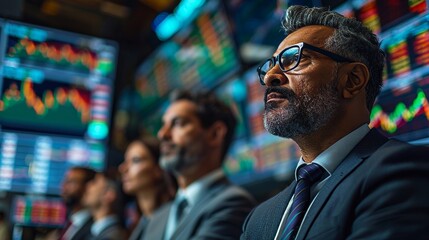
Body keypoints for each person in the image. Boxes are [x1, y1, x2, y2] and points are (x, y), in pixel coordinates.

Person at [240, 5, 429, 240]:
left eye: (294, 59)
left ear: (352, 80)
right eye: (270, 65)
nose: (270, 76)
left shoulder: (399, 171)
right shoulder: (259, 218)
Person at [142, 90, 256, 240]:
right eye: (164, 125)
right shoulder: (158, 217)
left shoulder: (233, 204)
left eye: (177, 123)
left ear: (215, 134)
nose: (162, 134)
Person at [119, 137, 176, 240]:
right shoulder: (141, 221)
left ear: (158, 168)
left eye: (135, 160)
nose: (123, 168)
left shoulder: (174, 217)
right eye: (125, 161)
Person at [82, 172, 127, 240]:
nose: (88, 185)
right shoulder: (96, 231)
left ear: (108, 195)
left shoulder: (112, 237)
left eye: (94, 182)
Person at [60, 166, 96, 240]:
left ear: (88, 187)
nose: (64, 186)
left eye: (72, 182)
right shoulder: (70, 222)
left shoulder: (94, 228)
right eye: (66, 181)